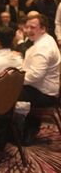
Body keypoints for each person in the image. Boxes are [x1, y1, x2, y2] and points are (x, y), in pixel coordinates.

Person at [18, 14, 60, 145]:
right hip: (44, 88)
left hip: (44, 94)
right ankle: (27, 128)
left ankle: (4, 132)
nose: (28, 30)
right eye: (27, 27)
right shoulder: (46, 39)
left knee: (2, 93)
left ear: (43, 29)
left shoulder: (43, 48)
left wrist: (15, 81)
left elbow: (35, 76)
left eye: (33, 27)